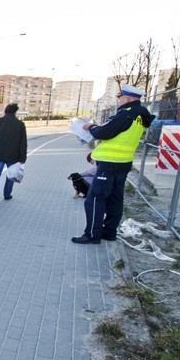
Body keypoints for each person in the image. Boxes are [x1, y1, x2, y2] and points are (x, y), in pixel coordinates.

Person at [71, 83, 155, 244]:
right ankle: (109, 232)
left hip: (109, 164)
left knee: (95, 199)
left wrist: (91, 126)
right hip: (122, 164)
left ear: (128, 98)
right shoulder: (140, 116)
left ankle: (92, 235)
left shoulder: (126, 114)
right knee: (115, 199)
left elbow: (104, 132)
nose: (118, 100)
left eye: (120, 97)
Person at [0, 103, 27, 206]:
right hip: (13, 156)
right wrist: (22, 158)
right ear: (15, 112)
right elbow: (23, 143)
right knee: (11, 175)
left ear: (5, 111)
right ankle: (7, 195)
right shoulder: (20, 124)